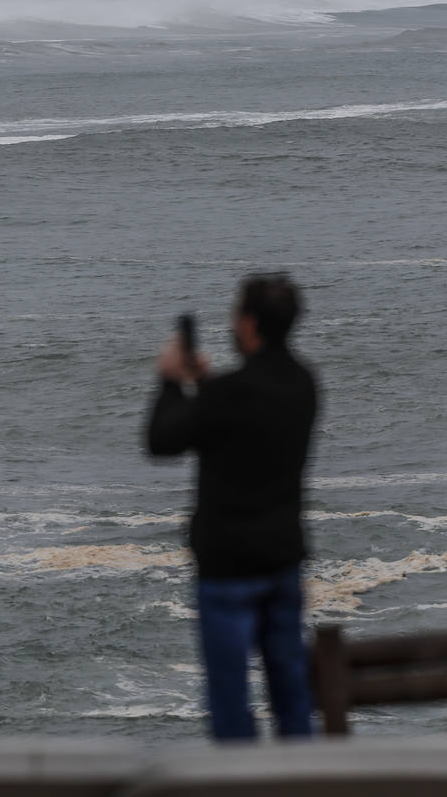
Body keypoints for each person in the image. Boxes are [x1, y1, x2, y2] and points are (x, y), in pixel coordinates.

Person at [145, 274, 318, 741]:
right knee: (291, 695)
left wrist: (170, 381)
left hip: (227, 570)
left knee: (230, 701)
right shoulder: (304, 384)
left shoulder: (228, 396)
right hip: (282, 562)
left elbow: (162, 440)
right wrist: (204, 380)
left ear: (248, 324)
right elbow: (247, 413)